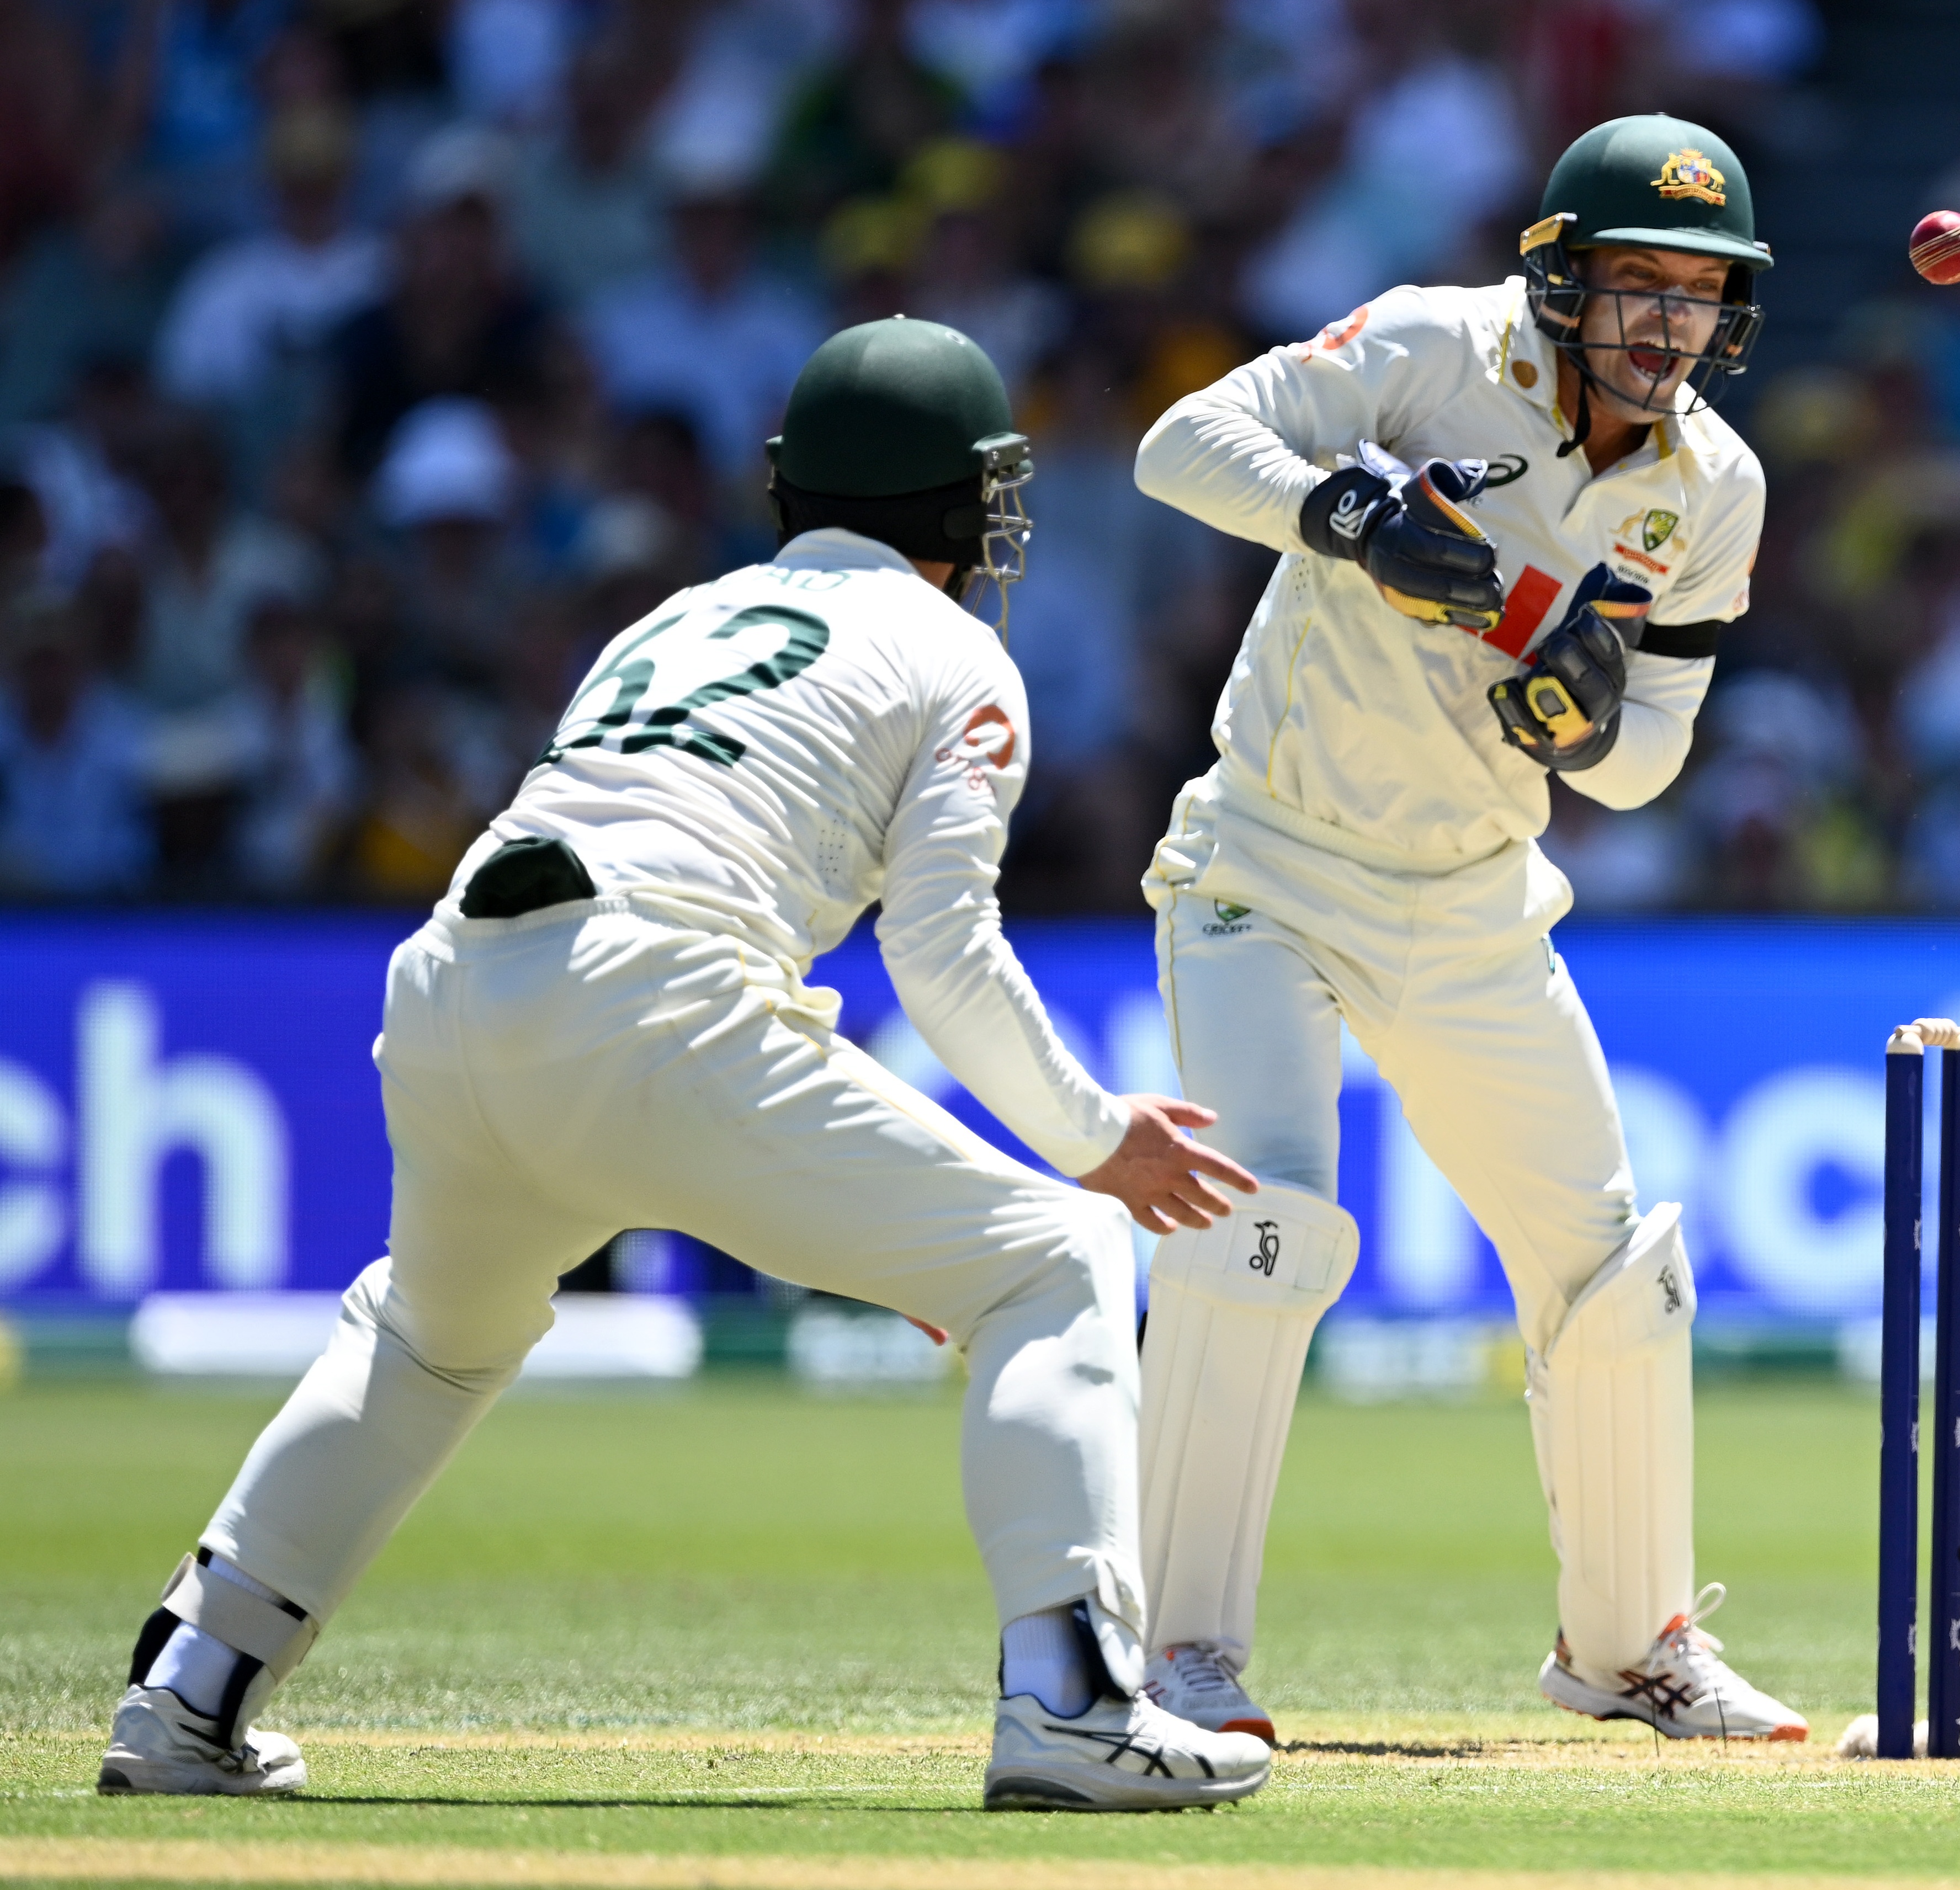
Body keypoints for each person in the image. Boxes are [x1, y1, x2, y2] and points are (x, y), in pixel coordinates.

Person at [98, 319, 1274, 1812]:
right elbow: (943, 951)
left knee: (423, 1342)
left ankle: (189, 1687)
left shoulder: (677, 612)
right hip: (652, 993)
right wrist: (1098, 1135)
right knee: (1057, 1257)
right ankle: (1072, 1703)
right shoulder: (957, 648)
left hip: (459, 979)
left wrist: (885, 1212)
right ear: (959, 500)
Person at [1125, 114, 1796, 1743]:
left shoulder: (1714, 486)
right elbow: (1178, 445)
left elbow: (1645, 767)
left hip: (1476, 899)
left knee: (1612, 1265)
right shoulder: (1429, 345)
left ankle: (1628, 1649)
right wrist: (1339, 514)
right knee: (1261, 1226)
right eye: (1635, 287)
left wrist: (1579, 722)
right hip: (1266, 863)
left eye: (1699, 297)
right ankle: (1173, 1657)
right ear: (1556, 279)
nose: (1667, 329)